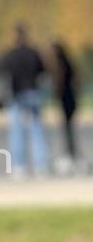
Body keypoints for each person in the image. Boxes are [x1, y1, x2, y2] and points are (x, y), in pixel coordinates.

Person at [0, 24, 49, 178]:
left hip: (15, 95)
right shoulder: (33, 53)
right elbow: (42, 72)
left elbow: (1, 73)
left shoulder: (9, 55)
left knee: (16, 131)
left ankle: (19, 166)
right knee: (36, 130)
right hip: (32, 92)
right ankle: (41, 165)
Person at [50, 41, 82, 173]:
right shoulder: (68, 63)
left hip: (66, 100)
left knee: (67, 129)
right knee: (68, 129)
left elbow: (60, 82)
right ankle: (71, 154)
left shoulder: (61, 65)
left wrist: (56, 94)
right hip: (70, 100)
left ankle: (70, 156)